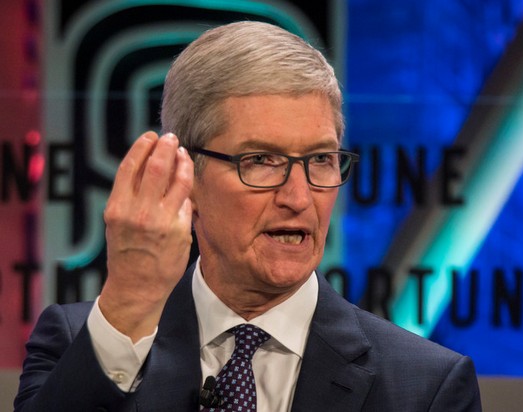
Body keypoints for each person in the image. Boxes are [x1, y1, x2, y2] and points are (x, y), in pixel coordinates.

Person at [14, 21, 482, 411]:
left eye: (321, 159)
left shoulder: (427, 387)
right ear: (185, 175)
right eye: (260, 160)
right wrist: (130, 306)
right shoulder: (81, 344)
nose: (298, 197)